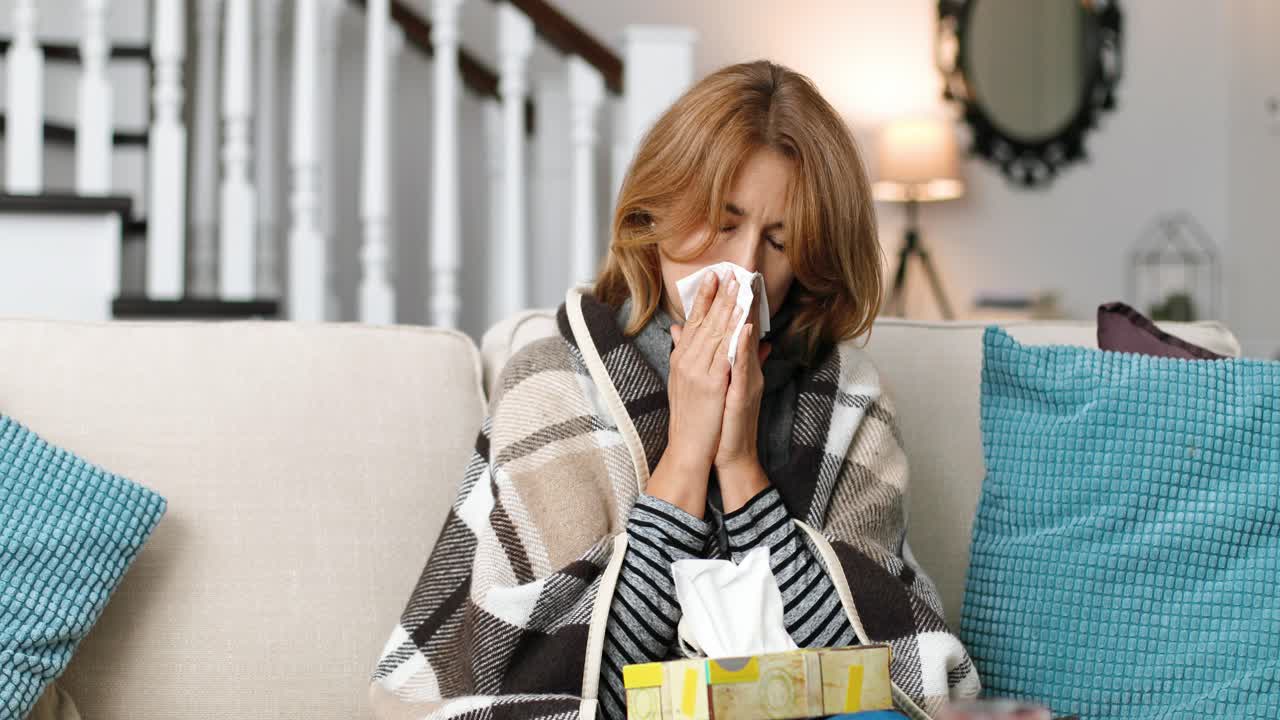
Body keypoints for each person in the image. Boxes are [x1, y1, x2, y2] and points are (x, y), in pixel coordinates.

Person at [369, 60, 979, 720]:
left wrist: (741, 466)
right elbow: (568, 689)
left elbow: (871, 679)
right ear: (657, 209)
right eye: (724, 220)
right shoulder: (551, 385)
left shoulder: (849, 401)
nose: (743, 267)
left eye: (779, 241)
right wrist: (687, 454)